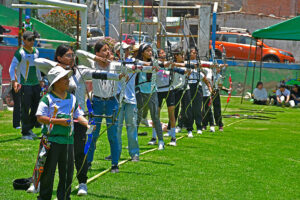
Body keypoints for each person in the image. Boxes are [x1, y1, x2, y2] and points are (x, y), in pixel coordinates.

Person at [35, 44, 122, 194]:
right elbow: (37, 62)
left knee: (79, 153)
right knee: (48, 153)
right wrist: (59, 66)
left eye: (72, 55)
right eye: (68, 55)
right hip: (56, 119)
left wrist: (117, 76)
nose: (72, 58)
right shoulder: (54, 71)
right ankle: (39, 183)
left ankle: (82, 183)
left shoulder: (80, 71)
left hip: (77, 117)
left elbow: (98, 74)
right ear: (59, 57)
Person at [36, 66, 88, 200]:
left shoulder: (72, 98)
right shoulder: (47, 99)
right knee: (48, 173)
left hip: (68, 141)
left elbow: (78, 114)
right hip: (50, 141)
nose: (67, 80)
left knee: (67, 174)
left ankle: (64, 197)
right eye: (64, 78)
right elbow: (40, 117)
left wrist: (88, 124)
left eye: (67, 78)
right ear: (56, 82)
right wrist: (58, 121)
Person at [76, 41, 123, 172]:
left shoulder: (115, 65)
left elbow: (131, 67)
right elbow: (79, 53)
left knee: (113, 135)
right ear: (97, 53)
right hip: (96, 102)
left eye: (108, 50)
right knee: (93, 133)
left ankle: (115, 164)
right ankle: (88, 162)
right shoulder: (92, 64)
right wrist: (97, 59)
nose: (108, 52)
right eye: (104, 50)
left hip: (111, 102)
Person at [9, 31, 43, 140]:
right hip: (24, 84)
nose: (32, 42)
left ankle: (30, 129)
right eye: (29, 40)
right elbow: (11, 68)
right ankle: (25, 132)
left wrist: (40, 80)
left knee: (36, 107)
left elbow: (37, 67)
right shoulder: (20, 53)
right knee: (25, 108)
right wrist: (14, 81)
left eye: (33, 39)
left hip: (35, 84)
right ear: (23, 40)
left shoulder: (36, 51)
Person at [135, 44, 166, 147]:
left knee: (155, 116)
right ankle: (133, 141)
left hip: (151, 91)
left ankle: (160, 141)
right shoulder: (137, 62)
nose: (150, 53)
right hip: (139, 90)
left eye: (151, 51)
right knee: (137, 117)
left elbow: (161, 65)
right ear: (142, 52)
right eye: (147, 51)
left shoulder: (155, 62)